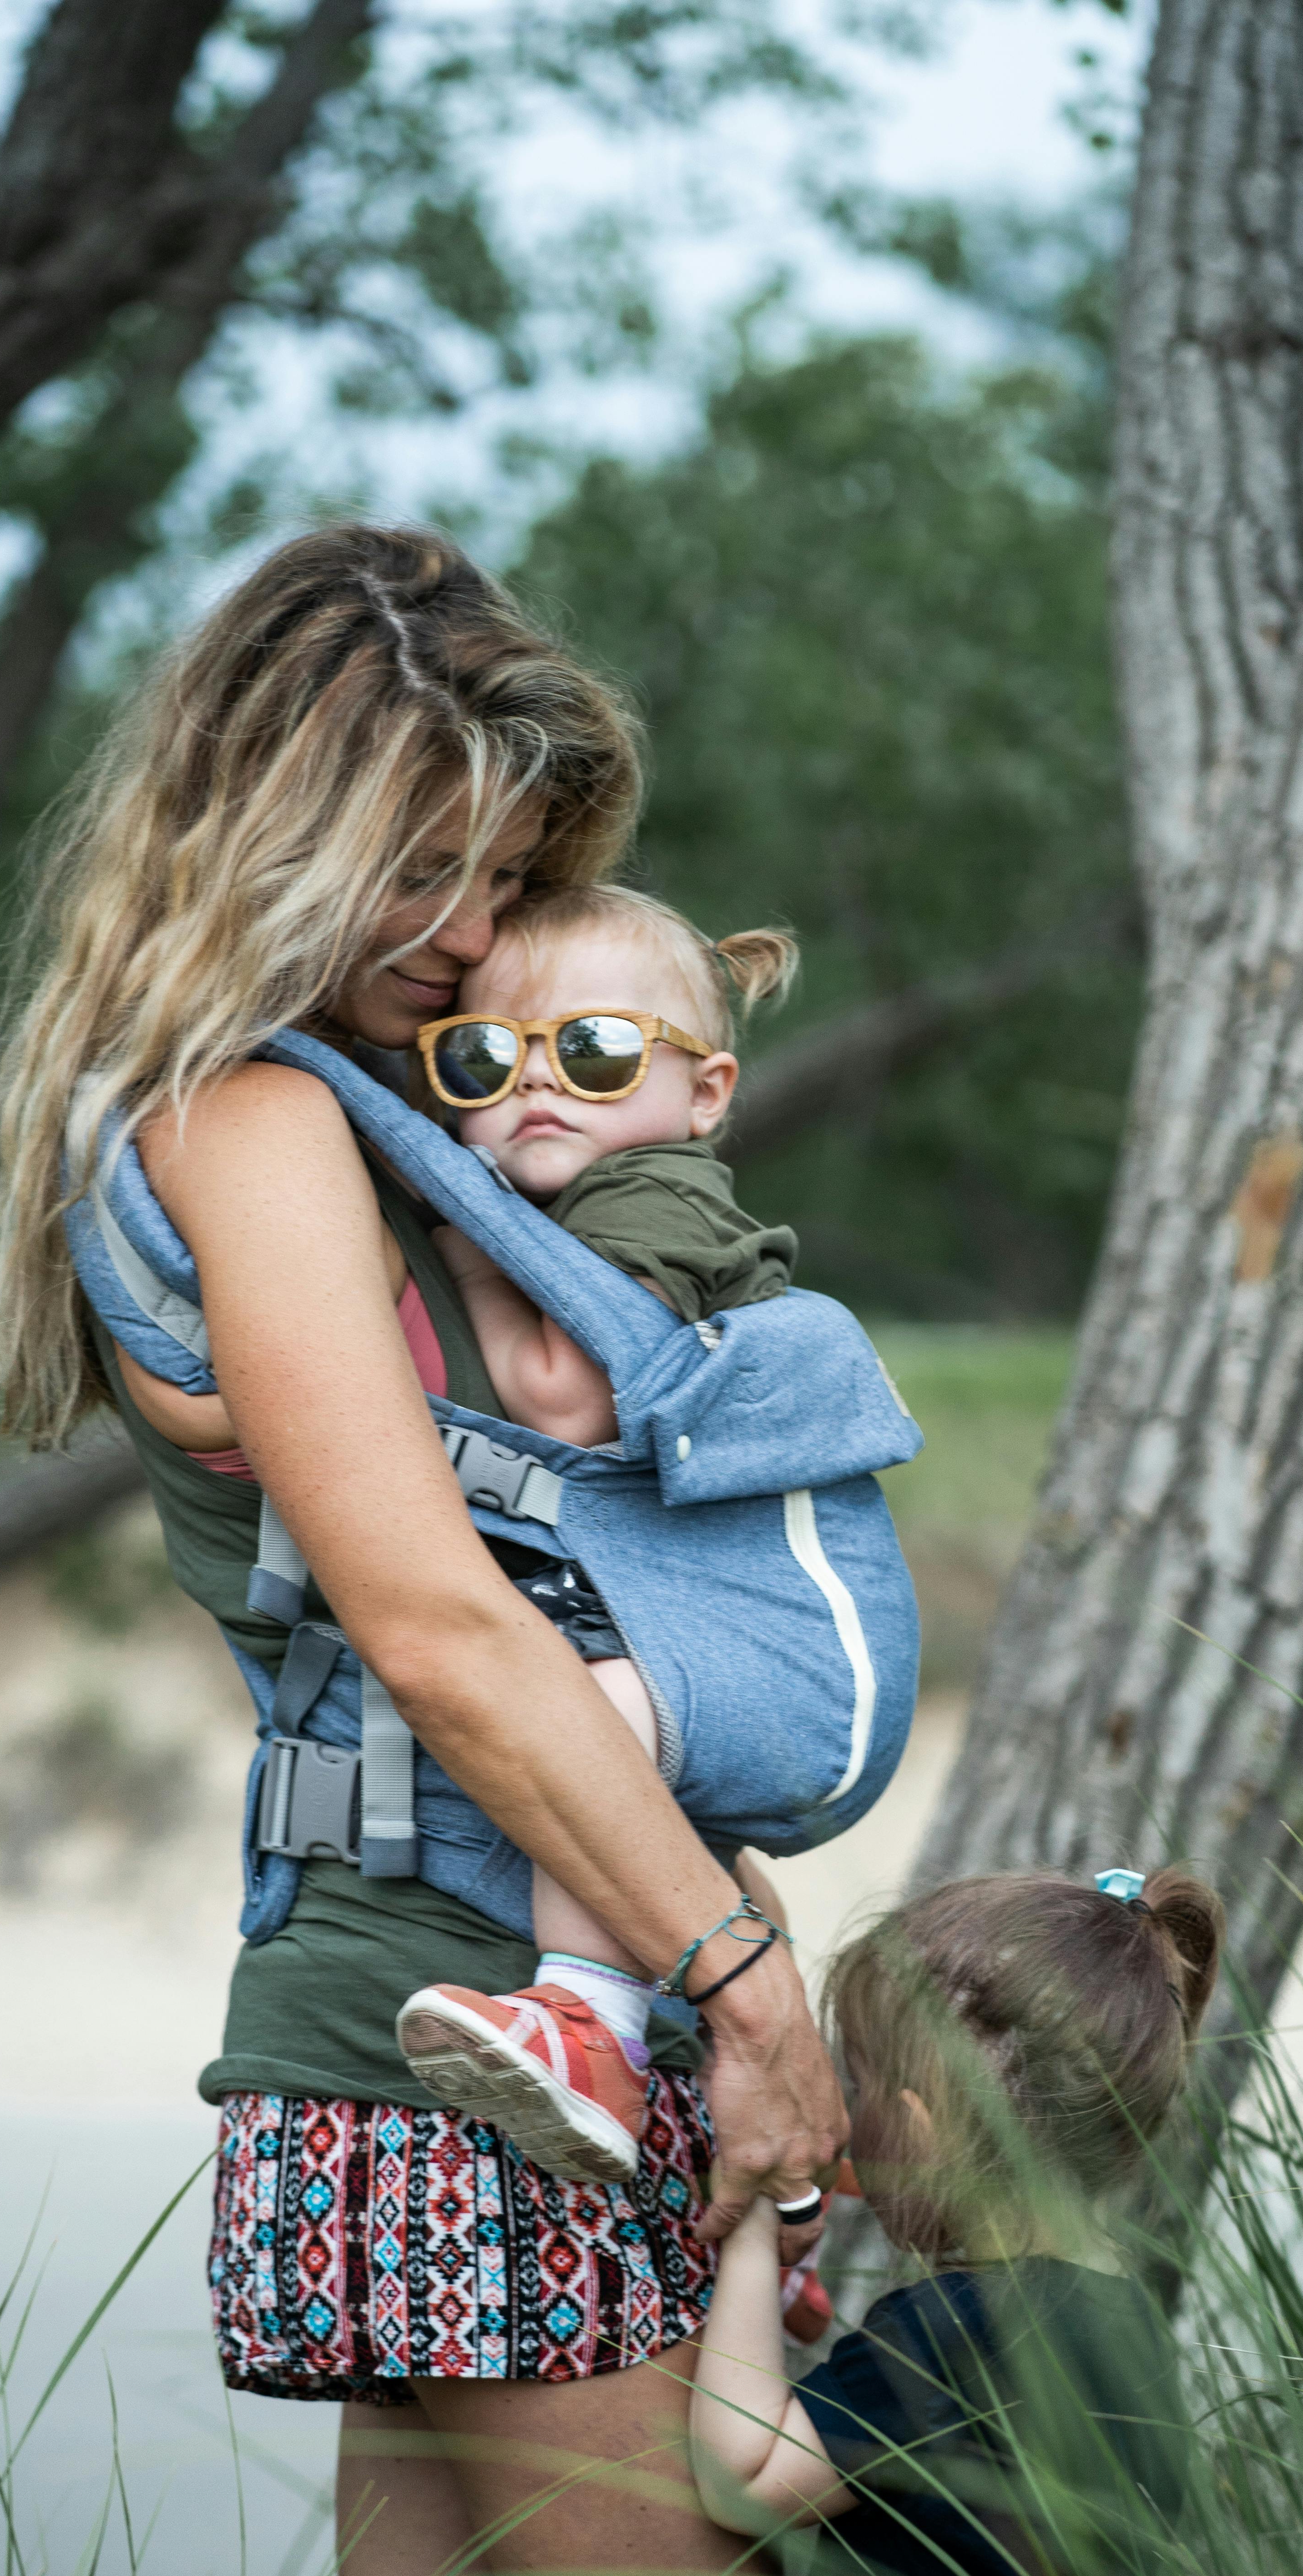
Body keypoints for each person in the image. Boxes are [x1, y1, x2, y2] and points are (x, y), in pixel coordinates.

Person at [0, 523, 843, 2576]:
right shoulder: (253, 1123)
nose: (465, 935)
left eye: (505, 873)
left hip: (428, 2016)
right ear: (268, 830)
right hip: (462, 2036)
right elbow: (439, 1624)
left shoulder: (307, 1127)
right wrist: (746, 1994)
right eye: (421, 866)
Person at [393, 883, 808, 2180]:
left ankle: (592, 2023)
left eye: (597, 1050)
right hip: (680, 1588)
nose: (536, 1088)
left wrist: (465, 1246)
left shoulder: (656, 1196)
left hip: (731, 1612)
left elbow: (567, 1395)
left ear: (706, 1092)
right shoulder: (603, 1194)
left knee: (590, 1720)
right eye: (482, 1058)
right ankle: (788, 2198)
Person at [688, 1866, 1223, 2576]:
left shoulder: (956, 2333)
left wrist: (752, 2206)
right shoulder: (1128, 2322)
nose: (848, 2122)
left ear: (920, 2129)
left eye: (857, 2090)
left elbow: (743, 2479)